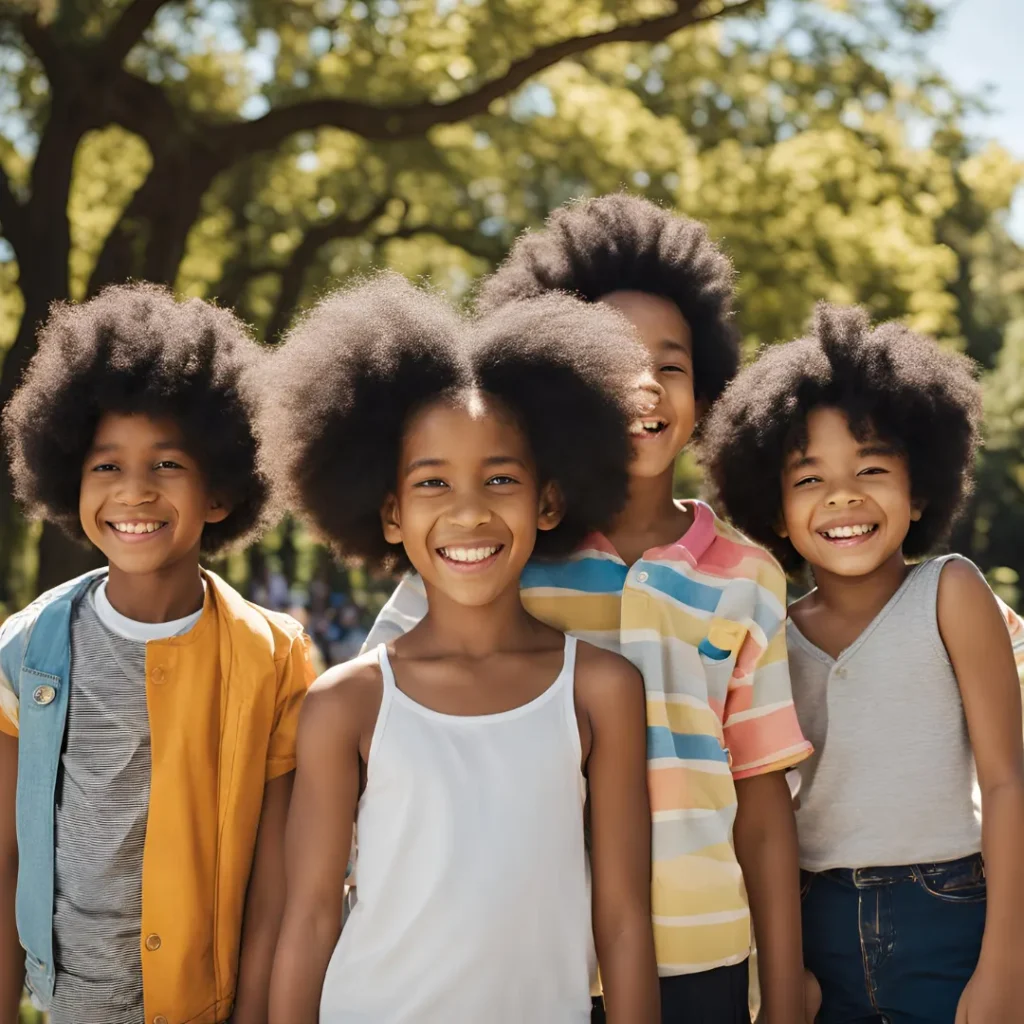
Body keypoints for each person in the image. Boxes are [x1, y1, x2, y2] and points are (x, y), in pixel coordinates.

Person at [364, 194, 813, 1024]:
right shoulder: (502, 548)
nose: (643, 384)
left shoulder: (748, 575)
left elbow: (761, 799)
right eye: (608, 363)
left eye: (670, 365)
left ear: (706, 394)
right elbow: (385, 702)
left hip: (699, 955)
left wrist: (783, 996)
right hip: (525, 957)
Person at [265, 273, 659, 1023]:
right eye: (433, 483)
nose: (469, 511)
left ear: (548, 500)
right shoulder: (346, 703)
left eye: (500, 478)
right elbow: (310, 918)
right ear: (390, 513)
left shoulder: (601, 690)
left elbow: (623, 919)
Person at [700, 302, 1024, 1023]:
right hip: (819, 929)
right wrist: (785, 972)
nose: (843, 495)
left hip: (952, 916)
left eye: (871, 468)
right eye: (808, 478)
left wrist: (1007, 961)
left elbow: (1007, 782)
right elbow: (766, 809)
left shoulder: (951, 592)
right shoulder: (770, 634)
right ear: (777, 511)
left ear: (920, 493)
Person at [0, 285, 315, 1024]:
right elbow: (4, 858)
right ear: (69, 478)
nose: (134, 491)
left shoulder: (274, 659)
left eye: (167, 464)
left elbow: (277, 888)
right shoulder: (25, 653)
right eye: (106, 466)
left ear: (221, 491)